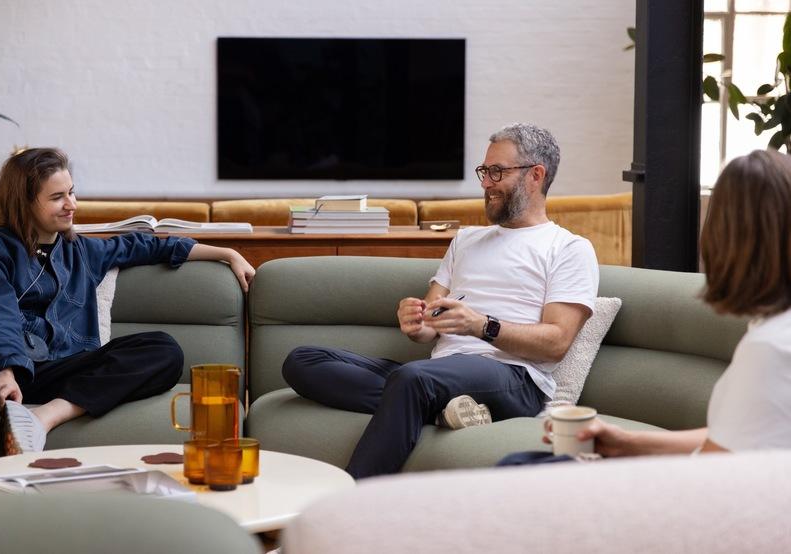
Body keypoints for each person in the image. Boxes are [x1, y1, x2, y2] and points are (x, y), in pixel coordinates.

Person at [282, 124, 600, 479]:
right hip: (440, 373)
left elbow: (556, 343)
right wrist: (417, 323)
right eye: (484, 172)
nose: (486, 183)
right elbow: (430, 325)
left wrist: (481, 325)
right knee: (302, 360)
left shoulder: (568, 248)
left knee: (412, 380)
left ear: (535, 175)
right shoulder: (466, 240)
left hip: (515, 377)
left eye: (497, 172)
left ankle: (350, 504)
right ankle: (438, 410)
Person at [0, 147, 255, 479]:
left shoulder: (81, 252)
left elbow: (148, 245)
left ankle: (42, 419)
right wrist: (6, 367)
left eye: (72, 193)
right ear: (25, 202)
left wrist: (226, 253)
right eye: (57, 197)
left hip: (49, 374)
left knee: (163, 349)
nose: (72, 205)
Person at [552, 149, 791, 457]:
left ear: (725, 238)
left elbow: (714, 472)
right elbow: (740, 434)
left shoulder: (769, 348)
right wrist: (627, 442)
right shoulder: (774, 330)